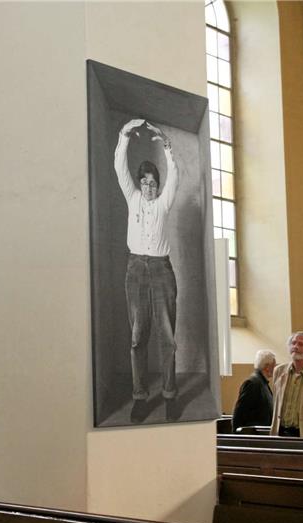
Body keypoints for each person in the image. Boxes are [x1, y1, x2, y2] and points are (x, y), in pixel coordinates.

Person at [114, 118, 180, 421]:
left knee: (167, 337)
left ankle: (169, 395)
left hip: (161, 270)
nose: (149, 187)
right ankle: (140, 396)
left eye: (153, 182)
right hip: (136, 270)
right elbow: (119, 167)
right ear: (139, 184)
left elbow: (175, 175)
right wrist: (125, 133)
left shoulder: (164, 202)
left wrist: (166, 146)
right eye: (145, 182)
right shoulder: (133, 198)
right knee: (138, 337)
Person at [232, 350, 276, 431]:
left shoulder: (262, 383)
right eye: (274, 365)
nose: (275, 368)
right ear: (267, 366)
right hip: (253, 437)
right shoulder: (252, 384)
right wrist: (237, 437)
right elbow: (239, 414)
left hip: (261, 435)